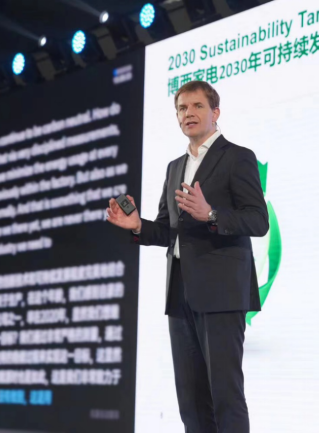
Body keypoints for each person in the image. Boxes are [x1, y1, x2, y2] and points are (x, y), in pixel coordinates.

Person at [106, 81, 268, 433]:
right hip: (180, 292)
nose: (188, 113)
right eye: (182, 108)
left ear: (215, 112)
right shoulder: (174, 167)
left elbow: (258, 220)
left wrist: (211, 214)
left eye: (197, 106)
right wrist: (138, 226)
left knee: (225, 395)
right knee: (191, 400)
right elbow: (169, 231)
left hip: (222, 292)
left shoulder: (237, 157)